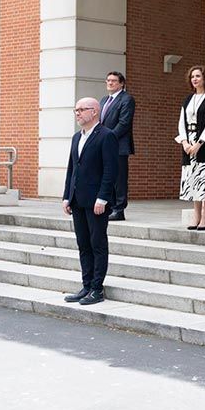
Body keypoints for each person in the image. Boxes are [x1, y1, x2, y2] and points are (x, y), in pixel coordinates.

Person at [62, 97, 119, 306]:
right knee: (83, 244)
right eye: (75, 109)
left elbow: (111, 170)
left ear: (94, 112)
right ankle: (86, 285)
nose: (77, 113)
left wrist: (103, 197)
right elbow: (72, 169)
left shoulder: (107, 136)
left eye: (81, 109)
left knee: (97, 244)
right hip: (78, 199)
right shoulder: (77, 137)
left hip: (97, 201)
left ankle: (97, 288)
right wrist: (67, 196)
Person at [176, 66, 205, 230]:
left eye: (198, 76)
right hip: (188, 143)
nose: (194, 79)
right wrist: (185, 142)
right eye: (192, 76)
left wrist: (198, 144)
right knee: (193, 180)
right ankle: (196, 215)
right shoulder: (188, 99)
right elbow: (182, 123)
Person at [100, 70, 135, 221]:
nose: (110, 83)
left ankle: (119, 210)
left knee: (119, 178)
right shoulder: (103, 100)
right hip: (104, 145)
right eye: (108, 80)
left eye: (113, 81)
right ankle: (110, 207)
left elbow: (124, 123)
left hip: (119, 145)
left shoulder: (127, 99)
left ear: (121, 83)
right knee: (107, 177)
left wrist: (109, 138)